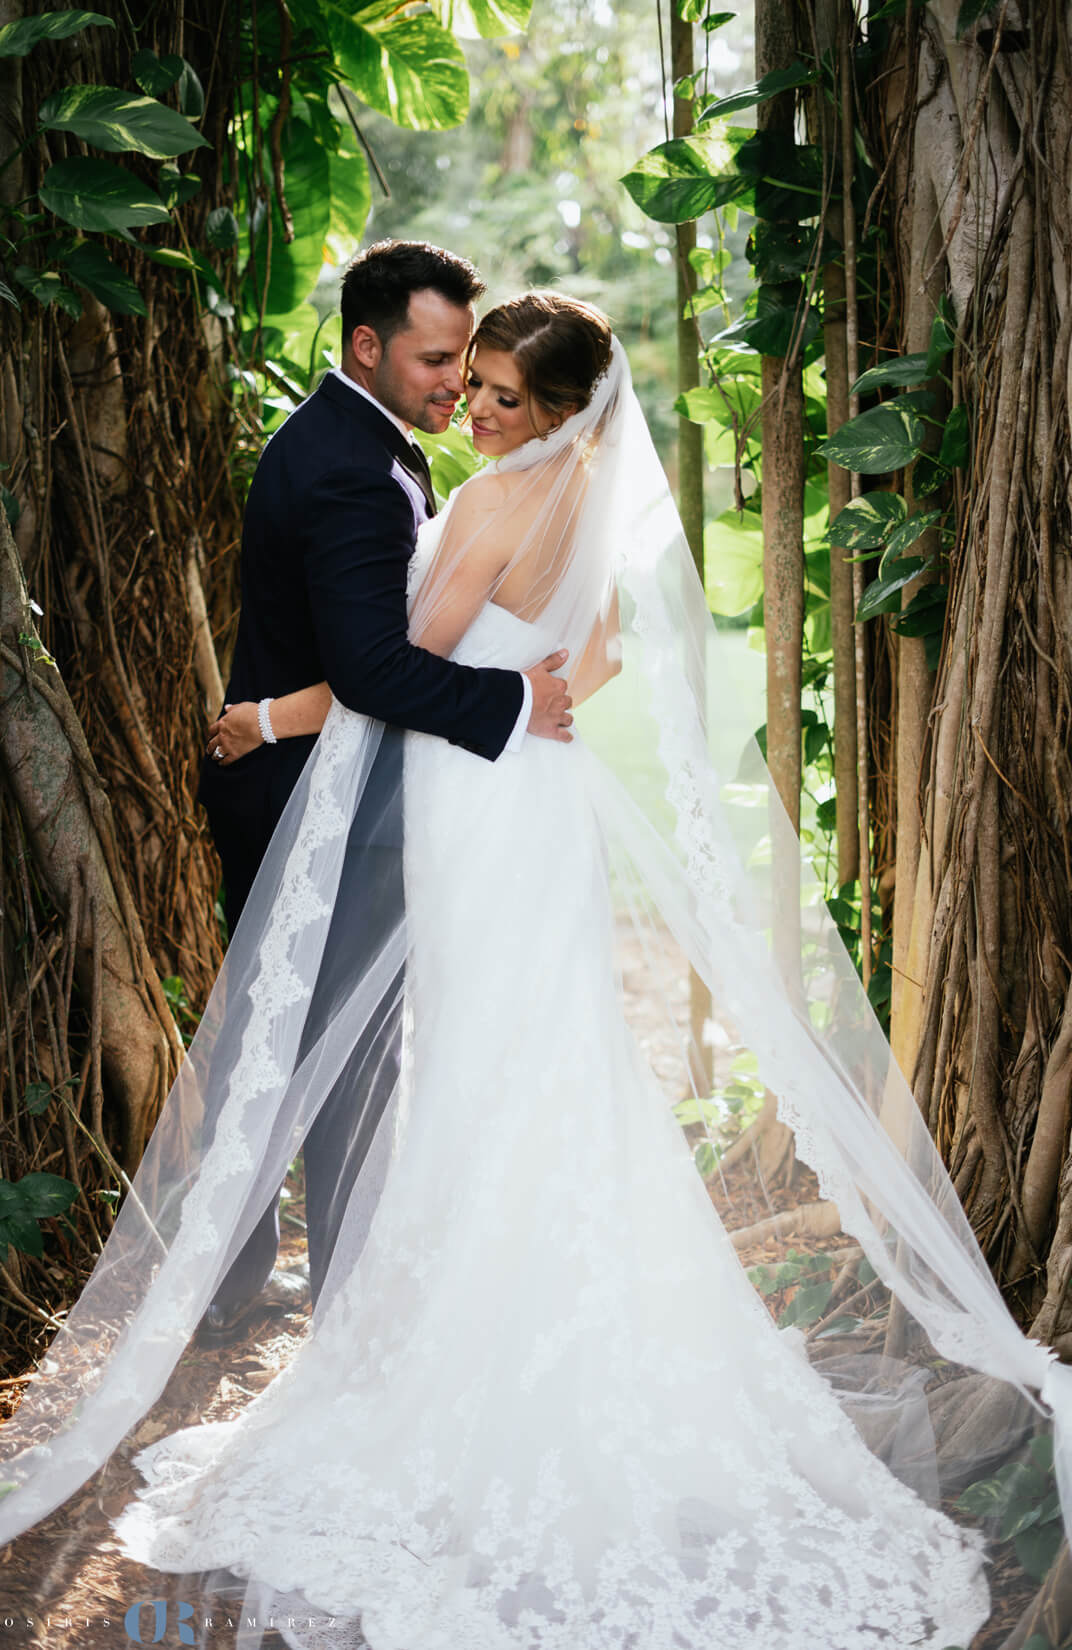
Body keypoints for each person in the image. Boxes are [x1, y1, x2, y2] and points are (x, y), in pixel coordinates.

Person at [3, 294, 1072, 1649]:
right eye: (472, 385)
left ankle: (474, 1372)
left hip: (472, 807)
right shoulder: (608, 504)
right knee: (552, 1056)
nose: (476, 411)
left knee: (482, 1065)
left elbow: (385, 669)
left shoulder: (483, 511)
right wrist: (535, 687)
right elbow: (607, 653)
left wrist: (272, 711)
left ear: (565, 410)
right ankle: (573, 1341)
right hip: (541, 803)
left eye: (506, 398)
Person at [194, 240, 574, 1343]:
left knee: (290, 1042)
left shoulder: (355, 441)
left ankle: (256, 1281)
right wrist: (511, 704)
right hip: (315, 805)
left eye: (463, 359)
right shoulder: (355, 470)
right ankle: (329, 1299)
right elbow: (371, 669)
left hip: (297, 778)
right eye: (434, 358)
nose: (454, 380)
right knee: (330, 1054)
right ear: (366, 345)